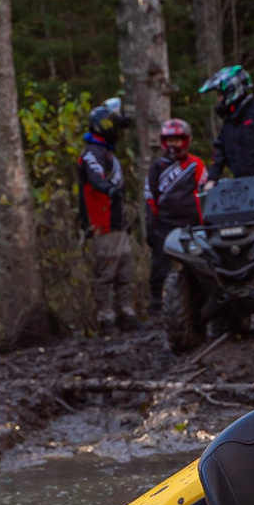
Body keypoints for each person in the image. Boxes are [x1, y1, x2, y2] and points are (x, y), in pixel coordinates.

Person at [77, 96, 139, 331]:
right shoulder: (91, 153)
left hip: (117, 222)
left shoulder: (107, 154)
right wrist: (109, 190)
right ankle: (106, 317)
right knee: (106, 273)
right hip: (102, 222)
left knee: (124, 271)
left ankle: (125, 312)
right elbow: (96, 180)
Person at [144, 117, 208, 303]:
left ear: (185, 141)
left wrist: (206, 222)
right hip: (165, 224)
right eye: (169, 140)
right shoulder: (157, 167)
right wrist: (151, 227)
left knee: (198, 264)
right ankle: (157, 303)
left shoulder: (195, 164)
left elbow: (205, 192)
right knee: (159, 267)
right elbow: (150, 197)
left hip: (193, 224)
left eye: (177, 140)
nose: (173, 145)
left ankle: (199, 300)